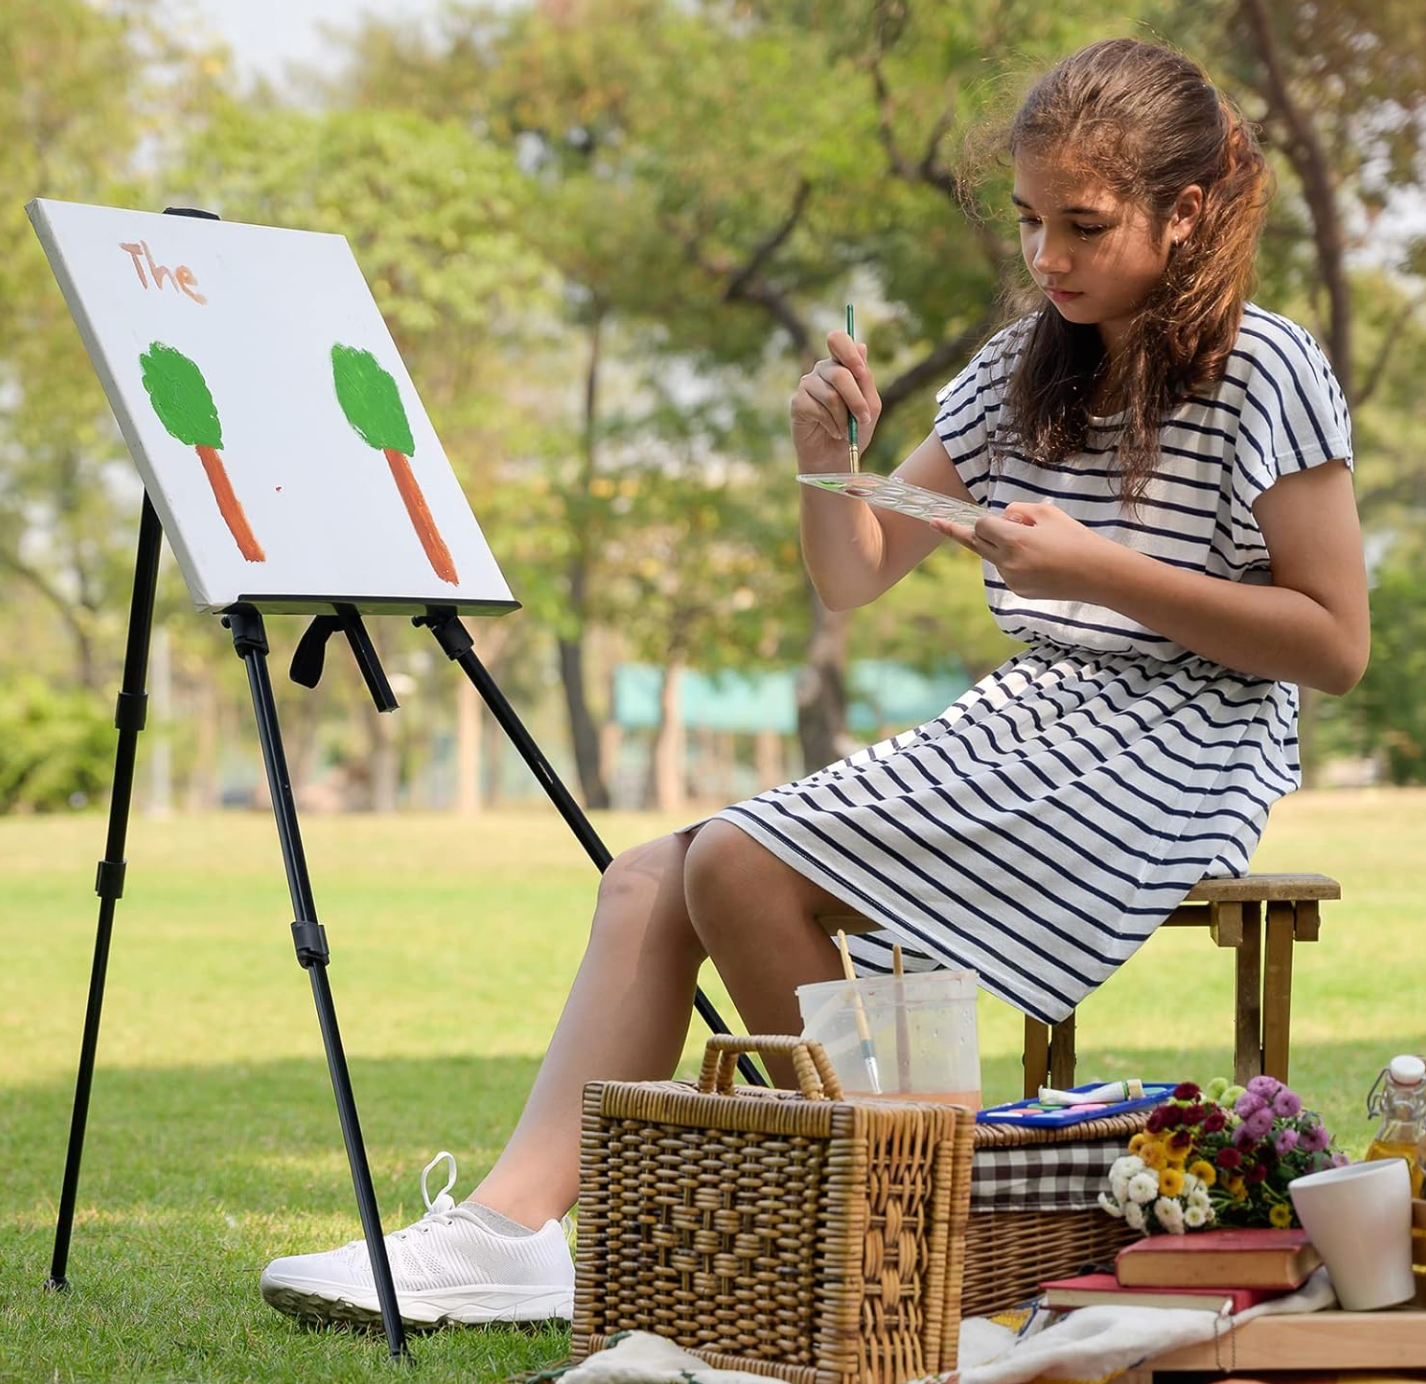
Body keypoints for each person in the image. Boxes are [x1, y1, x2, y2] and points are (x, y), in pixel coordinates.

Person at [258, 37, 1368, 1328]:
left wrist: (1097, 571)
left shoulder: (1267, 367)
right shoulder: (1025, 364)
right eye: (1027, 224)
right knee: (647, 876)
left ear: (1183, 214)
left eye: (1081, 224)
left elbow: (1332, 645)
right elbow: (856, 572)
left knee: (730, 861)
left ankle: (900, 1212)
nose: (1047, 258)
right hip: (1034, 716)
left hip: (1187, 736)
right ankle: (513, 1231)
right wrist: (819, 455)